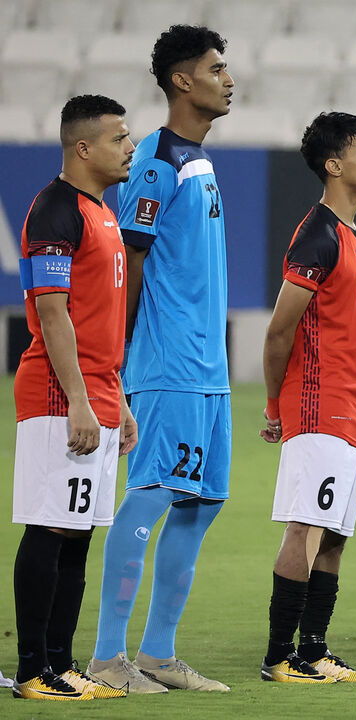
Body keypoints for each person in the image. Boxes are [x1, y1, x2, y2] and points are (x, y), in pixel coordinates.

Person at [88, 25, 235, 693]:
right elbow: (131, 261)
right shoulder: (156, 159)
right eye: (215, 68)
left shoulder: (197, 158)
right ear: (183, 80)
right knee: (148, 497)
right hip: (167, 363)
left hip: (209, 371)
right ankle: (107, 657)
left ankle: (157, 652)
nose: (227, 79)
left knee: (199, 506)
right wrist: (118, 362)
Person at [11, 95, 136, 702]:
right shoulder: (55, 210)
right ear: (83, 147)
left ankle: (61, 665)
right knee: (50, 528)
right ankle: (33, 669)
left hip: (97, 397)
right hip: (59, 396)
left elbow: (98, 322)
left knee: (79, 530)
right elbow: (52, 316)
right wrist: (81, 400)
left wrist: (117, 400)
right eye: (119, 137)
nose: (130, 146)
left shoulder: (101, 212)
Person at [258, 112, 356, 684]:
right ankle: (278, 656)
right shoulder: (319, 233)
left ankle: (313, 650)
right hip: (318, 407)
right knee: (305, 529)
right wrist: (273, 405)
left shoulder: (350, 234)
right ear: (334, 165)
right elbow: (281, 329)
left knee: (333, 537)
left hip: (352, 411)